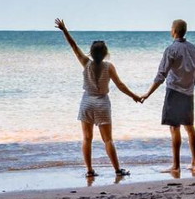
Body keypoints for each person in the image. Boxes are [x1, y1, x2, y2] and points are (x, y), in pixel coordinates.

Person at [55, 18, 143, 179]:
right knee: (108, 140)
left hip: (87, 102)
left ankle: (89, 170)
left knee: (87, 139)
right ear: (105, 54)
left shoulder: (85, 63)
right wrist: (134, 97)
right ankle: (117, 170)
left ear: (90, 52)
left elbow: (74, 46)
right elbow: (120, 85)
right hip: (102, 103)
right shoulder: (108, 67)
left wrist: (64, 30)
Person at [141, 19, 195, 175]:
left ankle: (176, 166)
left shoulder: (171, 50)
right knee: (189, 127)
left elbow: (161, 75)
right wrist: (188, 85)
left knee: (175, 129)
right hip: (188, 93)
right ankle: (194, 163)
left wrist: (147, 94)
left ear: (174, 31)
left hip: (174, 92)